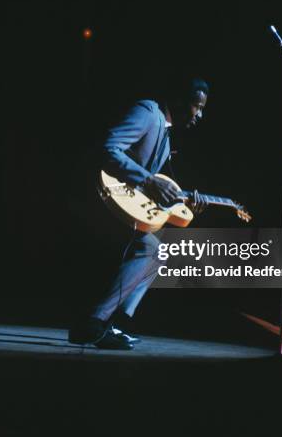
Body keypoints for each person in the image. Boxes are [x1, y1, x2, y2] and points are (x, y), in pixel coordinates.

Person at [69, 77, 209, 350]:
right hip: (100, 200)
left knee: (158, 253)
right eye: (197, 106)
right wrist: (147, 180)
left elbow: (153, 187)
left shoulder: (166, 139)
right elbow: (108, 148)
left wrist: (183, 201)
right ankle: (93, 322)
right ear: (180, 101)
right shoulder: (147, 112)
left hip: (123, 206)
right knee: (150, 249)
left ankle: (114, 322)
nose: (200, 114)